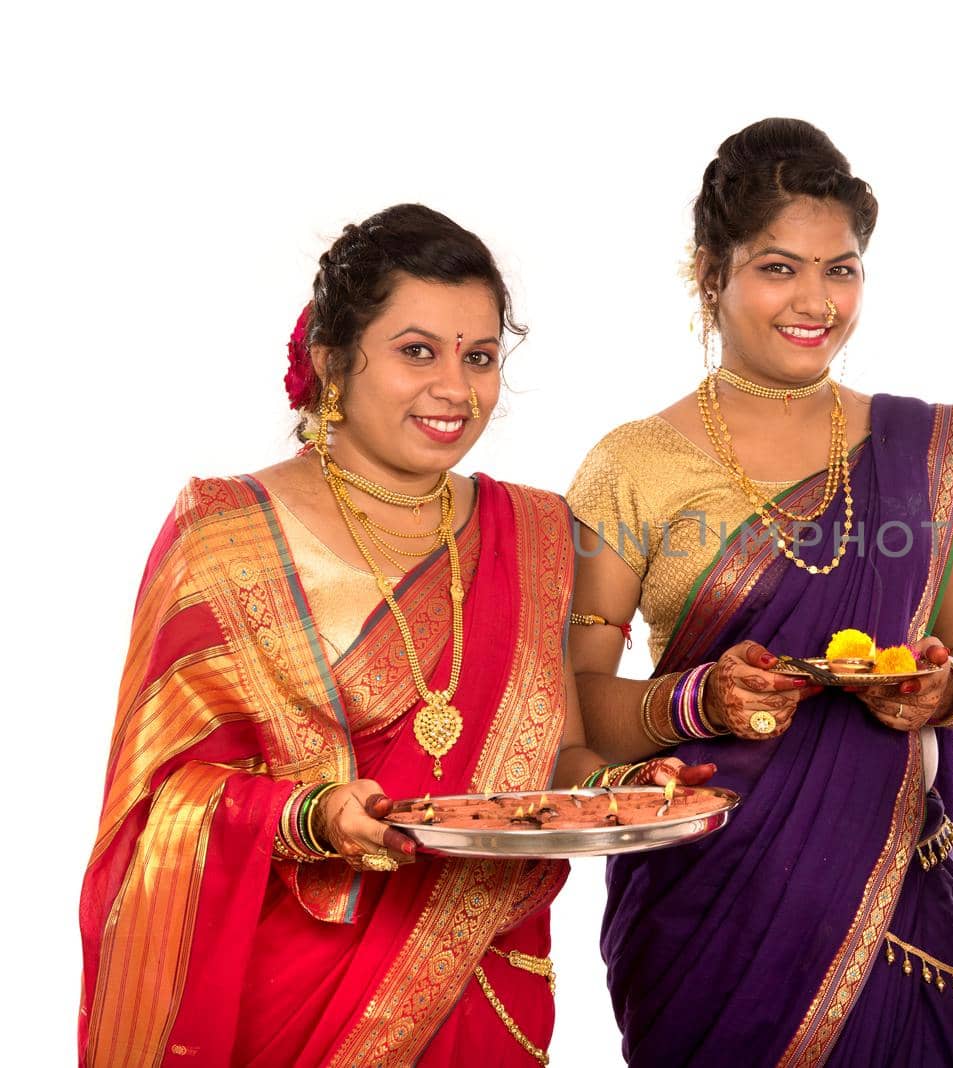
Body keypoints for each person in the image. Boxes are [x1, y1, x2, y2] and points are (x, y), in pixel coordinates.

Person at [79, 203, 693, 1066]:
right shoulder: (223, 534)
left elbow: (555, 760)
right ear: (333, 363)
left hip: (482, 982)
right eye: (417, 352)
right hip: (297, 996)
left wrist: (627, 789)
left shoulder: (538, 532)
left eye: (479, 357)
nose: (456, 388)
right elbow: (156, 809)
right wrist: (309, 813)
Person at [566, 118, 953, 1066]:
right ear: (710, 274)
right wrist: (697, 699)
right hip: (706, 900)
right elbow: (569, 709)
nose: (816, 301)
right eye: (779, 268)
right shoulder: (631, 466)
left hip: (893, 895)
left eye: (840, 269)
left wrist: (944, 690)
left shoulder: (921, 452)